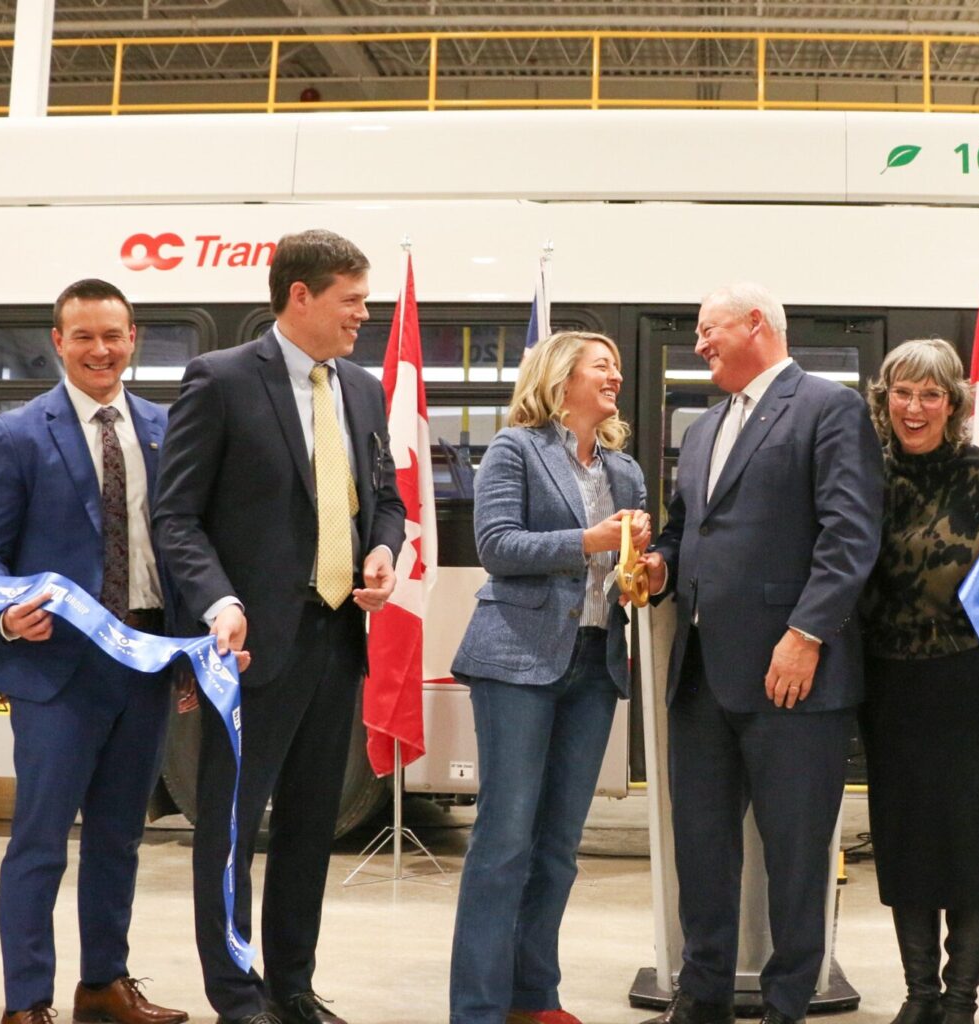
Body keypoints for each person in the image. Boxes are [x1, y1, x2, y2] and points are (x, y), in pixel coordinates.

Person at [153, 229, 403, 1024]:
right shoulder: (221, 380)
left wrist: (384, 552)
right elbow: (177, 517)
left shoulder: (361, 388)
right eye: (351, 300)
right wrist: (219, 601)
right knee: (229, 828)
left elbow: (385, 495)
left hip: (334, 641)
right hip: (248, 647)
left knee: (308, 826)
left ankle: (291, 986)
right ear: (301, 296)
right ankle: (236, 992)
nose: (364, 315)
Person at [638, 282, 883, 1024]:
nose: (700, 344)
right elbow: (687, 530)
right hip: (702, 675)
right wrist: (659, 568)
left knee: (797, 855)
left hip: (794, 676)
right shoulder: (707, 426)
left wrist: (807, 635)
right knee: (703, 852)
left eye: (710, 330)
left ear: (756, 326)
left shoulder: (828, 409)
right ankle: (701, 993)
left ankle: (787, 1002)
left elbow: (850, 536)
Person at [0, 279, 189, 1024]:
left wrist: (187, 650)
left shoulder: (165, 427)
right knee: (40, 844)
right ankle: (27, 1002)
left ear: (134, 340)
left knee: (121, 838)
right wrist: (7, 611)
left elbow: (181, 548)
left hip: (144, 660)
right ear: (58, 343)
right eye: (83, 336)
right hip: (55, 670)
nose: (100, 350)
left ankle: (104, 984)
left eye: (113, 335)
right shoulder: (19, 433)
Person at [446, 330, 650, 1024]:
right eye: (604, 366)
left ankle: (534, 999)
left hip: (595, 663)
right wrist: (588, 542)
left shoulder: (624, 471)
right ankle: (476, 1008)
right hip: (518, 662)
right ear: (563, 378)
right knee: (504, 842)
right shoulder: (516, 448)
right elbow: (497, 547)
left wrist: (643, 571)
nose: (616, 376)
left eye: (617, 368)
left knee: (559, 847)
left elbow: (621, 576)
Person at [858, 338, 979, 1024]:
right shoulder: (865, 473)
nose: (915, 406)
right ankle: (919, 994)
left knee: (972, 841)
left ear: (955, 404)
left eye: (931, 394)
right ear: (884, 399)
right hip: (889, 685)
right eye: (902, 391)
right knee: (904, 842)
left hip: (972, 684)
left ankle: (960, 1000)